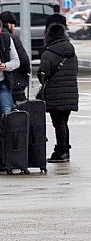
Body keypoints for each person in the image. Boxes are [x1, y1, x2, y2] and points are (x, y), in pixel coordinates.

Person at [39, 23, 78, 163]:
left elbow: (43, 74)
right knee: (64, 122)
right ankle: (65, 150)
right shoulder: (71, 52)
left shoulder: (48, 53)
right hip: (70, 93)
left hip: (55, 94)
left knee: (58, 123)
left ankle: (61, 151)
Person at [0, 11, 31, 102]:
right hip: (15, 82)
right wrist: (26, 75)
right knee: (18, 112)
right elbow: (24, 60)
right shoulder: (13, 38)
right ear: (9, 25)